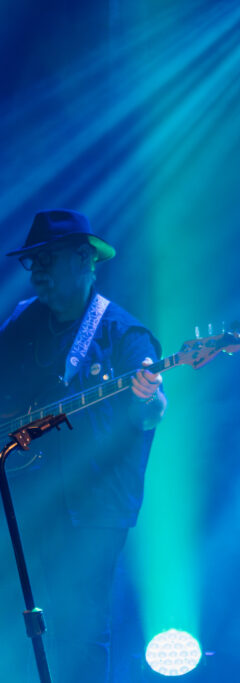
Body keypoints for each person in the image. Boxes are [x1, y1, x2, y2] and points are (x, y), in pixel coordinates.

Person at [0, 209, 166, 682]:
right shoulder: (22, 321)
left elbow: (154, 410)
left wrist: (149, 398)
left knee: (82, 627)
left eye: (47, 260)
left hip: (92, 505)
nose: (38, 273)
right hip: (29, 496)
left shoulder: (123, 332)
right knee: (19, 623)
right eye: (32, 263)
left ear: (84, 258)